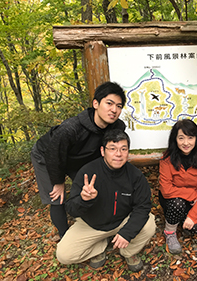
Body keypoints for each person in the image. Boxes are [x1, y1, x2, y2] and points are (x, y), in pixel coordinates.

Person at [30, 82, 126, 238]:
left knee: (93, 186)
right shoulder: (71, 128)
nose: (114, 110)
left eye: (119, 106)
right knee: (57, 197)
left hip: (78, 156)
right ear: (96, 103)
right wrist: (58, 181)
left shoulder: (117, 127)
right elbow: (54, 155)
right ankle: (64, 235)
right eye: (109, 103)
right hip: (47, 155)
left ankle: (96, 223)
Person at [56, 129, 156, 272]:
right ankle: (99, 246)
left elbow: (143, 207)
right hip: (91, 225)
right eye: (112, 149)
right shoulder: (88, 172)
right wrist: (84, 200)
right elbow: (71, 209)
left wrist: (127, 233)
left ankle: (128, 252)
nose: (118, 154)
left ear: (128, 151)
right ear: (103, 151)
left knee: (149, 224)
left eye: (123, 149)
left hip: (122, 221)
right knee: (64, 255)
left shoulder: (135, 176)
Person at [159, 119, 197, 254]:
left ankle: (183, 218)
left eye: (190, 138)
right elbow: (166, 190)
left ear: (196, 139)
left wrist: (193, 216)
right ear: (175, 139)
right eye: (181, 138)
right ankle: (169, 231)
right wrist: (192, 195)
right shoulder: (167, 160)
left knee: (193, 229)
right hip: (172, 200)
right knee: (177, 204)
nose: (186, 143)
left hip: (194, 203)